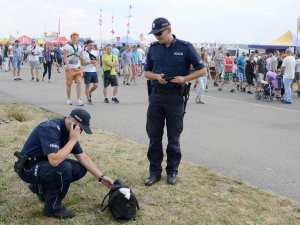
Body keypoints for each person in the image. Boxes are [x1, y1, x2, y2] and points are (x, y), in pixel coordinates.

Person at [17, 108, 114, 219]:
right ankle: (52, 209)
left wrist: (101, 177)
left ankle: (41, 188)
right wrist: (72, 140)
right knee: (63, 168)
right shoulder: (50, 128)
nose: (80, 132)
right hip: (28, 168)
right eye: (81, 128)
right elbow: (54, 161)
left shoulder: (69, 132)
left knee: (80, 168)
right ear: (71, 123)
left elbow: (82, 157)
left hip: (43, 165)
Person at [144, 17, 206, 186]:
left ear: (169, 29)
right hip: (156, 97)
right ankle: (154, 171)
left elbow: (202, 70)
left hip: (175, 98)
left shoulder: (185, 47)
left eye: (160, 33)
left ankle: (172, 171)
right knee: (154, 136)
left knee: (174, 137)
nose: (157, 37)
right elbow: (146, 72)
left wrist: (185, 78)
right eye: (155, 34)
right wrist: (156, 76)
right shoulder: (154, 48)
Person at [63, 32, 84, 106]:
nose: (75, 39)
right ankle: (68, 98)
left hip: (77, 68)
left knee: (79, 82)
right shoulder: (67, 46)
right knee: (69, 84)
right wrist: (67, 65)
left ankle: (78, 99)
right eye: (73, 37)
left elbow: (81, 57)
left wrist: (81, 64)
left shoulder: (80, 46)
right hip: (70, 68)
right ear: (71, 38)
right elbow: (65, 56)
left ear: (78, 38)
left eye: (76, 37)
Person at [81, 40, 99, 105]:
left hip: (94, 71)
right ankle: (88, 99)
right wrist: (89, 62)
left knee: (96, 85)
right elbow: (82, 63)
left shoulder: (95, 52)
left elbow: (97, 61)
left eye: (92, 45)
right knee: (87, 86)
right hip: (86, 71)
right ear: (87, 45)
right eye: (90, 45)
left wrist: (96, 64)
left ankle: (89, 93)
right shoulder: (83, 53)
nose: (91, 46)